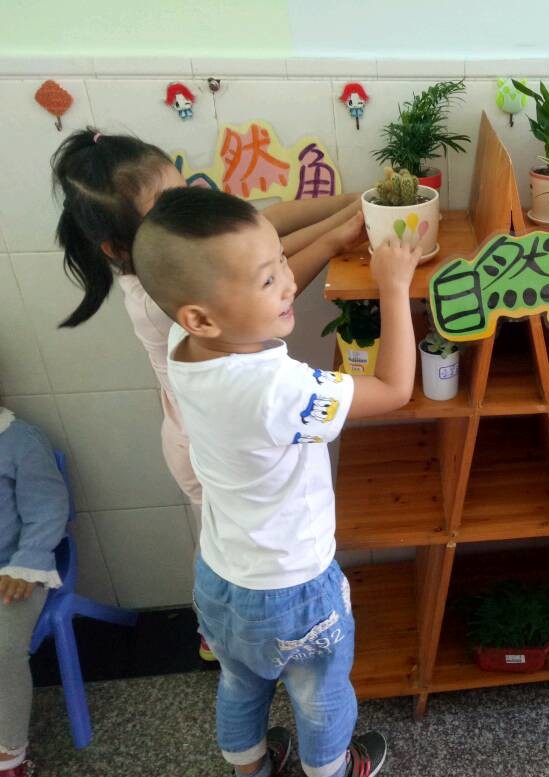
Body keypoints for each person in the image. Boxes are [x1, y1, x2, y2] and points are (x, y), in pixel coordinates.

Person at [132, 187, 420, 777]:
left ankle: (251, 769)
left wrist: (330, 242)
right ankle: (330, 771)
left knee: (241, 682)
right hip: (294, 589)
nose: (288, 282)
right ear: (201, 314)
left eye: (282, 263)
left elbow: (255, 292)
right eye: (270, 279)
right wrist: (394, 286)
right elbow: (394, 389)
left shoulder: (182, 343)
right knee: (320, 693)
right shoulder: (277, 391)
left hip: (221, 577)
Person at [51, 128, 363, 661]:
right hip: (199, 442)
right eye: (164, 207)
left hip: (204, 428)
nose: (186, 212)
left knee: (228, 543)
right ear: (120, 248)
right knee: (233, 553)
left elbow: (267, 230)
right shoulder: (158, 301)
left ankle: (225, 632)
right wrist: (337, 236)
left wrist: (353, 204)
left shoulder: (187, 260)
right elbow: (264, 275)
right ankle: (219, 637)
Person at [0, 407, 70, 777]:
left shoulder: (17, 439)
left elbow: (47, 508)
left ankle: (8, 758)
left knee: (1, 651)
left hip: (12, 572)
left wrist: (26, 561)